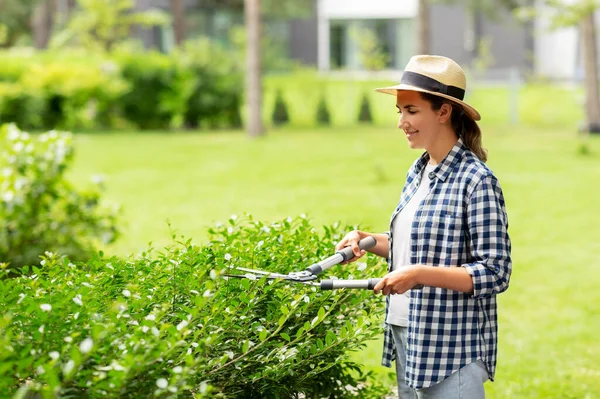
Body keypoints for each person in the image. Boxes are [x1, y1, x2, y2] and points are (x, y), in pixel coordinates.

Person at [335, 55, 512, 399]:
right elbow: (419, 242)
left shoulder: (476, 181)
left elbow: (495, 272)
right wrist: (367, 241)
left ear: (443, 111)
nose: (401, 122)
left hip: (450, 346)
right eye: (399, 111)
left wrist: (417, 274)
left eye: (411, 111)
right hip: (409, 332)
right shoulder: (418, 171)